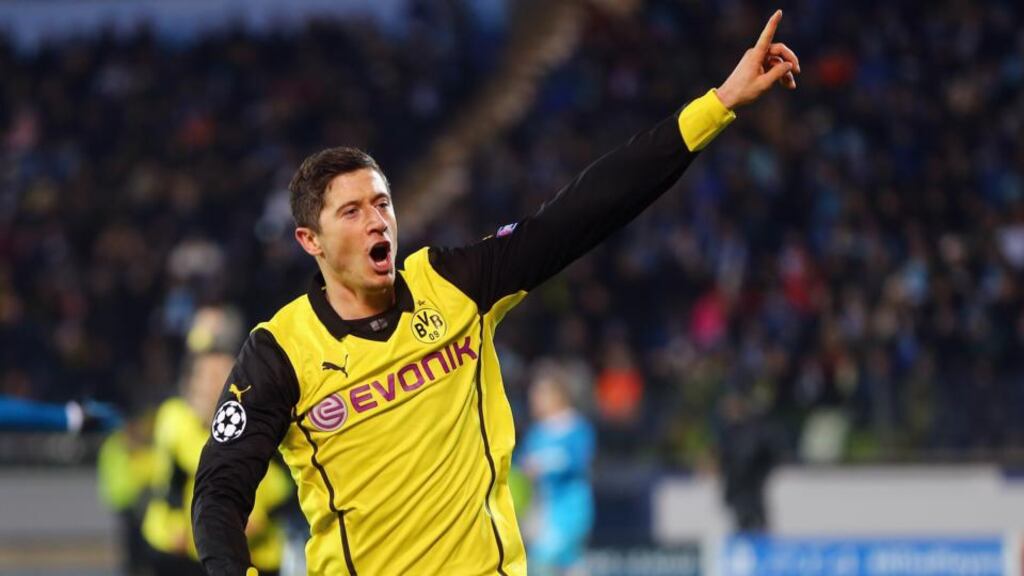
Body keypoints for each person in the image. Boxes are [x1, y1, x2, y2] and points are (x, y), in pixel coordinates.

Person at [193, 10, 800, 575]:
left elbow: (583, 210)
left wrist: (717, 105)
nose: (377, 222)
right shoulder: (279, 352)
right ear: (310, 241)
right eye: (351, 212)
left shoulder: (455, 284)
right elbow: (219, 491)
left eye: (382, 204)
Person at [517, 364, 596, 576]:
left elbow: (578, 462)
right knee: (570, 563)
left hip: (571, 507)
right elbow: (521, 465)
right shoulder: (535, 433)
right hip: (543, 507)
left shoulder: (577, 427)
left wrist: (545, 467)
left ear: (558, 395)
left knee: (541, 559)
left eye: (540, 394)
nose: (534, 400)